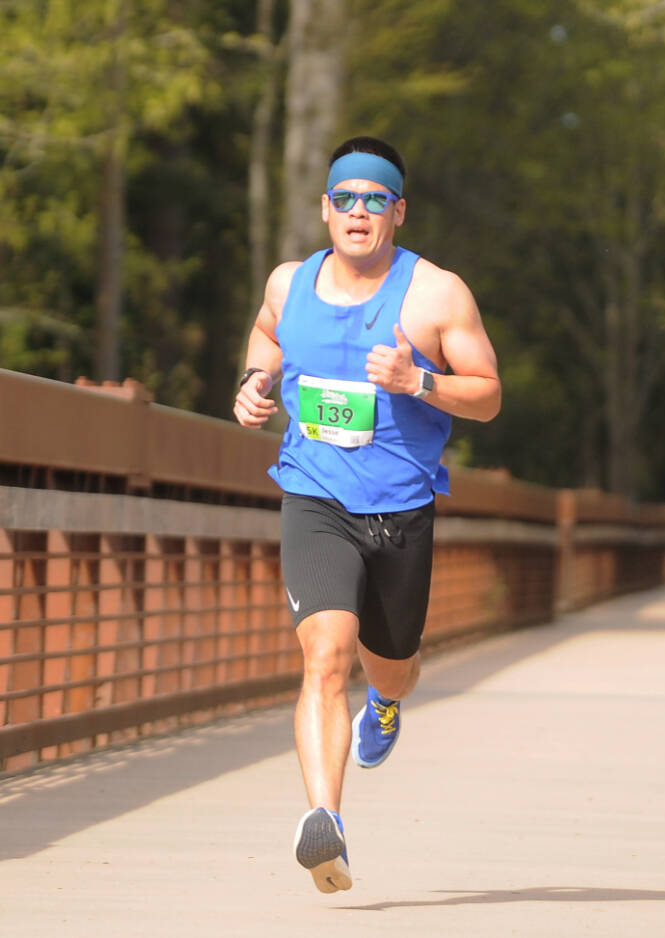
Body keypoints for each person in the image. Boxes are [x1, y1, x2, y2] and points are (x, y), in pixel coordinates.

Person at [233, 136, 501, 893]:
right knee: (325, 654)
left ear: (398, 212)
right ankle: (327, 821)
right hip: (314, 495)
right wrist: (255, 381)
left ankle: (385, 705)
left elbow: (487, 392)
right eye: (344, 197)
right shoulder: (289, 284)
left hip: (402, 511)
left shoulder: (436, 294)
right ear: (325, 209)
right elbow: (264, 336)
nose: (358, 211)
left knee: (393, 665)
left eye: (375, 199)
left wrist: (421, 382)